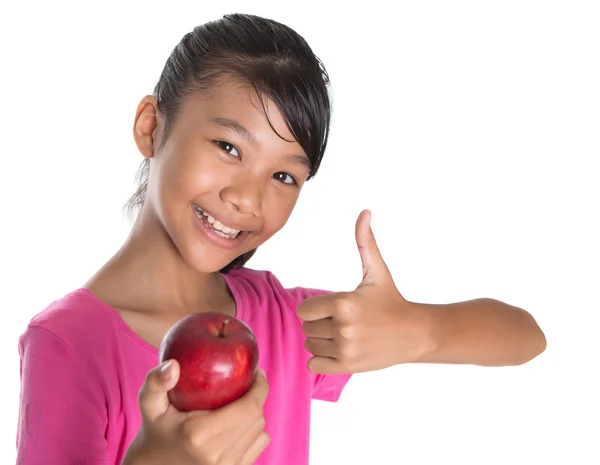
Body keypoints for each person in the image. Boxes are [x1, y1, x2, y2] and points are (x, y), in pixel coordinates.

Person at [16, 13, 546, 465]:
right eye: (228, 146)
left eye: (284, 176)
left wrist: (420, 329)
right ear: (151, 127)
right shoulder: (69, 342)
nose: (248, 198)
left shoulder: (283, 323)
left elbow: (526, 338)